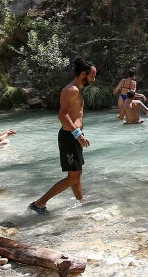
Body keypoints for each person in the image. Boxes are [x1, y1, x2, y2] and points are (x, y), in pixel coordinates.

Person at [29, 57, 97, 214]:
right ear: (83, 74)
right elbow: (62, 115)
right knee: (73, 177)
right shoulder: (71, 90)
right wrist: (78, 134)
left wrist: (78, 134)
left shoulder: (76, 90)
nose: (93, 79)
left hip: (74, 136)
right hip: (69, 136)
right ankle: (39, 204)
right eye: (92, 76)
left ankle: (82, 202)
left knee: (76, 174)